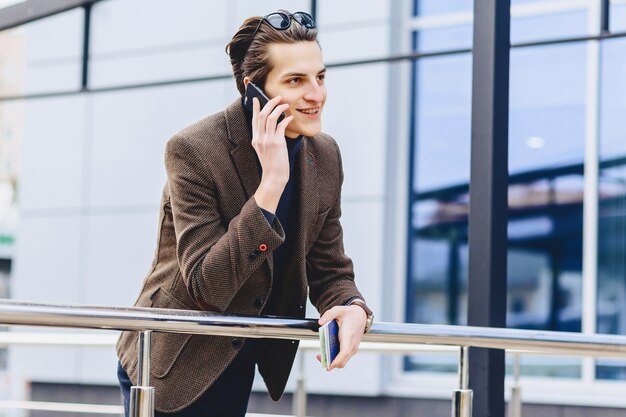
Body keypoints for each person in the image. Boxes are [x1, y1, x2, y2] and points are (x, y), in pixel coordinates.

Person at [116, 10, 373, 417]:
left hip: (245, 356)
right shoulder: (194, 150)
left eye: (320, 77)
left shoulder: (326, 155)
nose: (316, 94)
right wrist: (271, 184)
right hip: (173, 362)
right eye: (295, 81)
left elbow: (329, 267)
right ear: (254, 91)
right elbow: (207, 284)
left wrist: (352, 306)